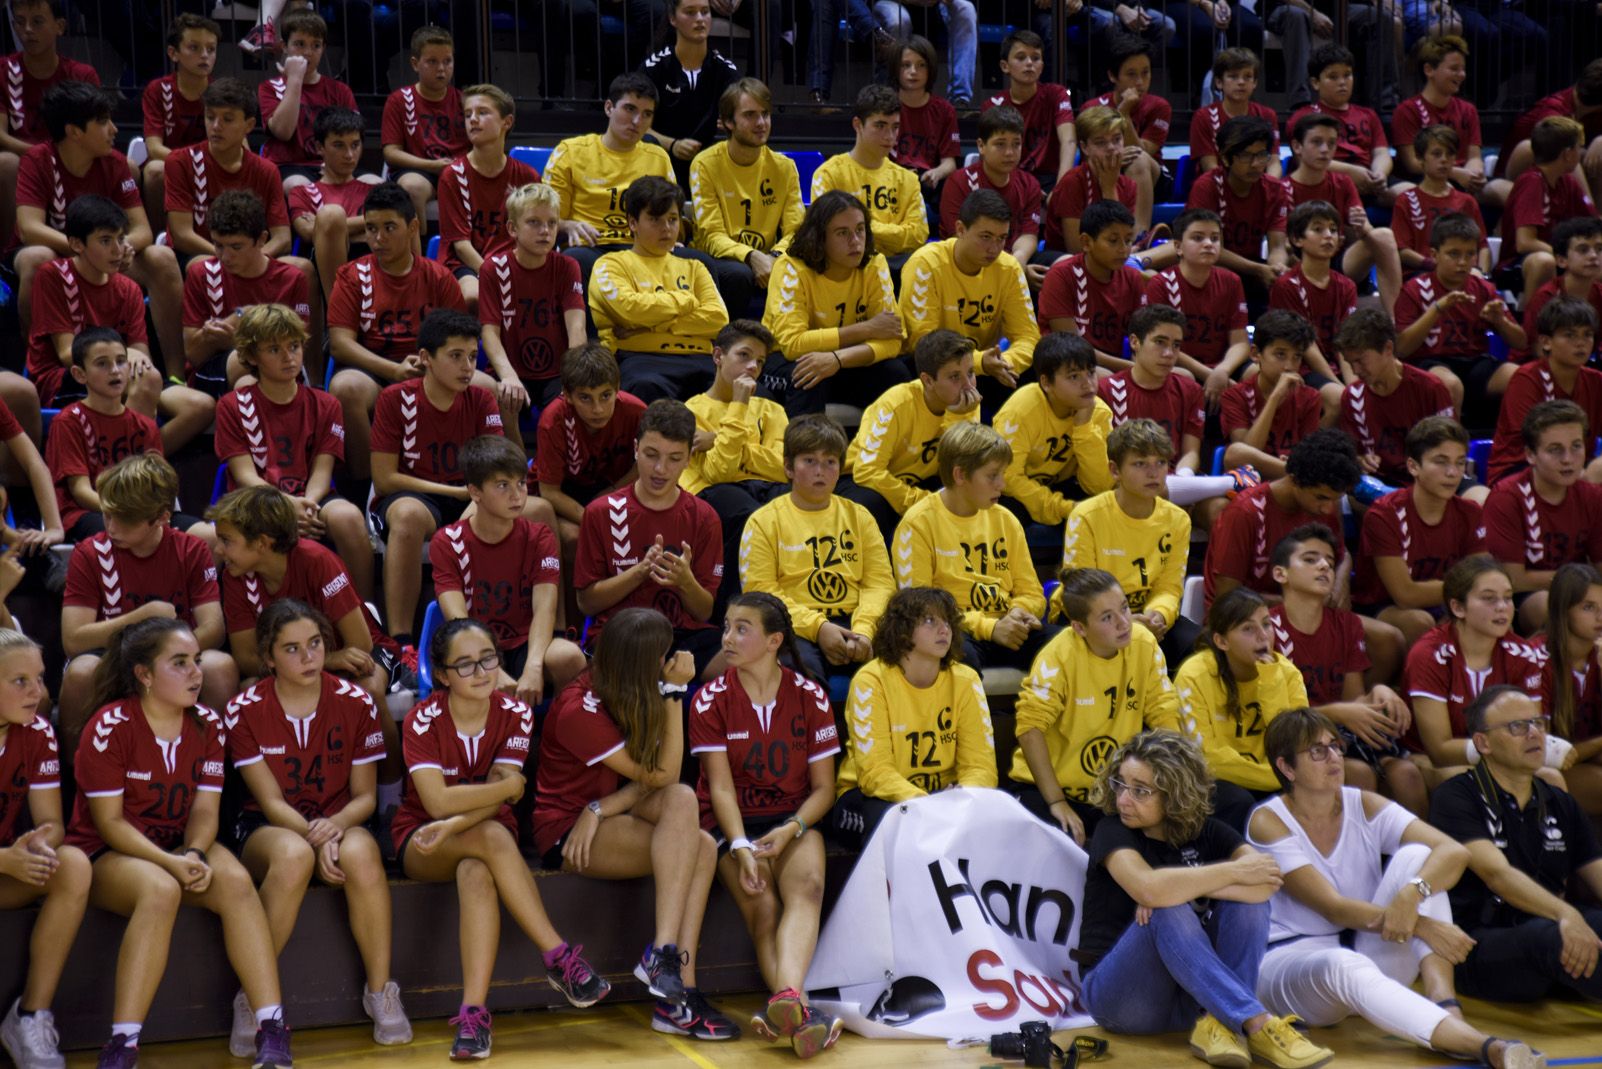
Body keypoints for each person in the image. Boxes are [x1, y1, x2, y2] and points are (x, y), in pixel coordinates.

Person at [1249, 708, 1545, 1069]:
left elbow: (1454, 851)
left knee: (1420, 858)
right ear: (1287, 768)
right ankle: (1481, 1045)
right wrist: (1423, 924)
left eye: (1336, 747)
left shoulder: (1364, 803)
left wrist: (1413, 893)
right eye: (1317, 751)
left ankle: (1444, 1004)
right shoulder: (1267, 821)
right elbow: (1333, 908)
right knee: (1344, 964)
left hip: (1374, 946)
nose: (1333, 758)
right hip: (1293, 967)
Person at [66, 619, 294, 1069]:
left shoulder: (208, 725)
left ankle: (271, 1025)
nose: (196, 673)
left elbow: (205, 812)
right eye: (179, 663)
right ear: (144, 675)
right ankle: (123, 1043)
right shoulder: (109, 727)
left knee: (235, 882)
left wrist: (192, 852)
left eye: (197, 661)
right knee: (160, 890)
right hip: (112, 852)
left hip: (175, 845)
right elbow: (110, 825)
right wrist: (170, 865)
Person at [397, 618, 610, 1059]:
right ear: (441, 675)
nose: (481, 673)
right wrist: (503, 790)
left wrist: (459, 819)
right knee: (490, 837)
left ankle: (473, 1016)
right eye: (466, 665)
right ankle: (557, 956)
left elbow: (470, 806)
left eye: (488, 659)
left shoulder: (515, 712)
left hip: (471, 834)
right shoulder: (422, 719)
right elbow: (436, 803)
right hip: (424, 838)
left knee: (479, 867)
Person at [535, 608, 736, 1040]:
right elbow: (659, 774)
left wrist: (602, 808)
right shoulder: (579, 710)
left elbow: (664, 781)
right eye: (664, 654)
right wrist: (676, 692)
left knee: (684, 802)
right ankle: (677, 994)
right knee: (699, 847)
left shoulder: (636, 687)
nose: (674, 657)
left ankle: (666, 960)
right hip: (567, 829)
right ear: (643, 662)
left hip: (610, 809)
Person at [1076, 730, 1330, 1069]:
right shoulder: (1113, 830)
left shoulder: (1208, 831)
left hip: (1193, 1001)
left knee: (1247, 906)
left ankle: (1219, 1023)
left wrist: (1181, 886)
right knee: (1165, 912)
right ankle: (1255, 1023)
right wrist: (1220, 877)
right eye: (1120, 784)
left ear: (1175, 794)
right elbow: (1148, 889)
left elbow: (1266, 882)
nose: (1124, 799)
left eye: (1140, 791)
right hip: (1121, 998)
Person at [228, 600, 411, 1051]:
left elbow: (366, 798)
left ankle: (381, 992)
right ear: (268, 657)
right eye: (291, 649)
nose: (308, 657)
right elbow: (270, 803)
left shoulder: (355, 702)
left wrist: (331, 829)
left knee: (363, 853)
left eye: (314, 645)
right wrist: (315, 838)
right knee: (292, 857)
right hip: (267, 828)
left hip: (340, 819)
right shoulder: (244, 709)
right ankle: (254, 998)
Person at [690, 593, 843, 1057]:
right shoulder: (710, 699)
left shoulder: (810, 695)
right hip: (728, 822)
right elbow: (719, 789)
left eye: (742, 628)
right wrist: (739, 846)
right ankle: (802, 1011)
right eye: (727, 627)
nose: (728, 638)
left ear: (774, 640)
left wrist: (792, 827)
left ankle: (788, 1002)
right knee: (763, 907)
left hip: (792, 818)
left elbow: (824, 790)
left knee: (809, 888)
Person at [1428, 685, 1602, 1004]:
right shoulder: (1456, 797)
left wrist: (1571, 918)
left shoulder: (1560, 802)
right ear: (1483, 743)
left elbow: (1597, 873)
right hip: (1479, 944)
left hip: (1548, 929)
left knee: (1576, 928)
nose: (1534, 734)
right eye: (1517, 727)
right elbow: (1498, 876)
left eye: (1537, 723)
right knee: (1550, 937)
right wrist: (1567, 914)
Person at [58, 452, 235, 754]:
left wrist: (167, 659)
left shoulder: (191, 550)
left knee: (220, 667)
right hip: (110, 656)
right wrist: (142, 617)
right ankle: (77, 778)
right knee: (81, 672)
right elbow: (73, 640)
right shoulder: (90, 552)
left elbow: (213, 629)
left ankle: (213, 773)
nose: (111, 528)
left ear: (162, 517)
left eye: (124, 520)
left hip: (176, 655)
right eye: (107, 514)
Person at [13, 82, 187, 383]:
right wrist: (86, 248)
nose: (114, 130)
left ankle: (176, 375)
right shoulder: (37, 160)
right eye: (103, 121)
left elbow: (142, 229)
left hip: (104, 254)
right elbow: (30, 229)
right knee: (35, 258)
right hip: (60, 257)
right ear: (74, 132)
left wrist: (119, 247)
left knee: (162, 257)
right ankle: (43, 374)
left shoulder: (116, 163)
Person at [213, 302, 371, 599]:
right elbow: (245, 475)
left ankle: (366, 612)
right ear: (251, 356)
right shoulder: (233, 406)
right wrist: (287, 506)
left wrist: (307, 504)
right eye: (274, 349)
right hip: (255, 500)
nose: (289, 357)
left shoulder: (326, 404)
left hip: (312, 499)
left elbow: (322, 472)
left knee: (348, 517)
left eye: (294, 346)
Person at [1009, 568, 1179, 843]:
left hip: (1114, 792)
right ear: (1080, 628)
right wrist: (1056, 802)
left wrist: (1176, 782)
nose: (1124, 623)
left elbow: (1164, 712)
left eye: (1124, 608)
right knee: (1062, 840)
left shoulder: (1144, 643)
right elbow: (1030, 730)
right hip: (1046, 788)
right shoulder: (1058, 655)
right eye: (1107, 617)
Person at [1267, 527, 1422, 812]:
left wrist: (1380, 691)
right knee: (1358, 774)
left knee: (1407, 774)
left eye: (1329, 560)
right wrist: (1336, 713)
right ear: (1281, 574)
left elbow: (1353, 700)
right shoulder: (1268, 630)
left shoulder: (1346, 624)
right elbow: (1275, 713)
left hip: (1337, 732)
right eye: (1311, 559)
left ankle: (1415, 855)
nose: (1325, 565)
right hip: (1291, 735)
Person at [831, 587, 996, 848]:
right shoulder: (871, 681)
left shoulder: (966, 679)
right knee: (897, 826)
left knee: (993, 817)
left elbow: (981, 766)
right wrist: (928, 804)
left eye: (947, 621)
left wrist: (962, 797)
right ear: (903, 630)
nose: (945, 630)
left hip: (945, 795)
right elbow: (876, 772)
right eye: (930, 621)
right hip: (874, 797)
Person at [326, 181, 468, 480]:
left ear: (413, 226)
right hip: (374, 372)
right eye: (371, 228)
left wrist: (429, 367)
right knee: (346, 388)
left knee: (488, 388)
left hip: (430, 371)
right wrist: (393, 371)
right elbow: (339, 344)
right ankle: (367, 485)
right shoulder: (352, 276)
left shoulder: (439, 278)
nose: (378, 238)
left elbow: (460, 339)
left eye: (389, 227)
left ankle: (474, 480)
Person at [431, 435, 586, 706]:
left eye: (521, 483)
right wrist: (492, 669)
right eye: (503, 485)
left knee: (568, 656)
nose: (517, 495)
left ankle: (558, 738)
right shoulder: (447, 542)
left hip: (527, 643)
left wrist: (534, 667)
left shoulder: (541, 537)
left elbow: (545, 609)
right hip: (473, 647)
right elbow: (459, 623)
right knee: (469, 669)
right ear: (475, 492)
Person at [575, 399, 725, 677]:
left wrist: (685, 581)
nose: (660, 469)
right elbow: (587, 603)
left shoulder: (705, 517)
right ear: (635, 450)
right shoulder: (600, 512)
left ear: (689, 459)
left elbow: (704, 611)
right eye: (651, 454)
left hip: (684, 636)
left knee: (741, 660)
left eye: (674, 458)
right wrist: (641, 572)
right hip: (622, 632)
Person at [739, 415, 893, 685]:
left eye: (830, 462)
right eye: (809, 461)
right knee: (798, 671)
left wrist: (865, 630)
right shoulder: (764, 521)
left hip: (856, 622)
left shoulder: (860, 517)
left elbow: (879, 584)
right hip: (795, 627)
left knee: (907, 659)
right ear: (788, 467)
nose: (820, 470)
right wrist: (818, 628)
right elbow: (761, 594)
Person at [210, 485, 396, 709]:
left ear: (262, 543)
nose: (218, 550)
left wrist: (317, 663)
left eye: (226, 540)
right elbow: (247, 659)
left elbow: (360, 645)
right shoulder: (234, 577)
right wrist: (324, 660)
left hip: (362, 652)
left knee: (367, 690)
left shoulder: (317, 561)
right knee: (250, 693)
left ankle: (386, 746)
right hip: (310, 661)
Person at [894, 421, 1051, 671]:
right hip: (955, 631)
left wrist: (1018, 613)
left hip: (1006, 626)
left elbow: (1031, 591)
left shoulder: (1005, 519)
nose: (1002, 484)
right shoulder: (918, 523)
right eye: (992, 476)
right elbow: (919, 608)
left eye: (1002, 474)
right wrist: (989, 628)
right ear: (960, 475)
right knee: (955, 655)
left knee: (1064, 645)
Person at [0, 628, 88, 1069]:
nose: (38, 692)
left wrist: (34, 848)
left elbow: (51, 824)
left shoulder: (35, 732)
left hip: (6, 871)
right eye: (20, 681)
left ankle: (31, 1014)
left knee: (71, 864)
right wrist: (5, 859)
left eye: (39, 678)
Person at [761, 191, 908, 418]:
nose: (856, 241)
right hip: (784, 360)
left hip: (841, 359)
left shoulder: (874, 263)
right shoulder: (790, 267)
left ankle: (882, 450)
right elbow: (793, 344)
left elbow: (891, 341)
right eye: (843, 233)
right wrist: (867, 328)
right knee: (807, 375)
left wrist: (837, 359)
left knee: (895, 373)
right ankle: (804, 452)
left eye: (860, 230)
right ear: (819, 237)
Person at [1175, 587, 1311, 830]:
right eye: (1248, 629)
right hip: (1219, 780)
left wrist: (1270, 681)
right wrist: (1273, 777)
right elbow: (1205, 757)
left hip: (1278, 774)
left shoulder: (1287, 674)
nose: (1263, 636)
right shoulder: (1194, 675)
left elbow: (1293, 742)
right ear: (1221, 641)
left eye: (1267, 624)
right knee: (1241, 801)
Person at [1404, 556, 1547, 785]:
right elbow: (1439, 749)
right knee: (1484, 784)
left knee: (1550, 777)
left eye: (1508, 598)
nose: (1502, 607)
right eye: (1489, 599)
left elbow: (1530, 729)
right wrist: (1506, 749)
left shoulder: (1524, 654)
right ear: (1458, 607)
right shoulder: (1429, 655)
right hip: (1429, 761)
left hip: (1502, 757)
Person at [589, 175, 729, 404]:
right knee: (646, 386)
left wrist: (656, 324)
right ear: (633, 223)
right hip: (641, 360)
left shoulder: (695, 266)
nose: (666, 228)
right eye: (655, 219)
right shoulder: (611, 264)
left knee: (742, 388)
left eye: (673, 219)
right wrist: (685, 299)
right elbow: (629, 309)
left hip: (700, 358)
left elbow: (718, 319)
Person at [1063, 419, 1194, 658]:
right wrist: (1123, 619)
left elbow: (1169, 587)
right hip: (1093, 615)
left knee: (1199, 647)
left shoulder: (1178, 520)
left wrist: (1158, 614)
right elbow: (1081, 590)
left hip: (1147, 615)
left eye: (1161, 463)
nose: (1153, 473)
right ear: (1115, 470)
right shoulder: (1087, 516)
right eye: (1140, 464)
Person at [1356, 417, 1486, 649]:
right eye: (1441, 462)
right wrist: (1464, 593)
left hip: (1448, 603)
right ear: (1413, 466)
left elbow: (1482, 577)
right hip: (1382, 607)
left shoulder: (1471, 512)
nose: (1452, 472)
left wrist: (1460, 604)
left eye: (1459, 463)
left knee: (1490, 616)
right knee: (1420, 621)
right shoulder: (1385, 514)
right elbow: (1405, 594)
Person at [840, 329, 980, 541]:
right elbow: (867, 471)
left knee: (972, 492)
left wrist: (956, 416)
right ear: (928, 380)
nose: (968, 385)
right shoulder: (895, 404)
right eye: (954, 377)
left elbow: (962, 467)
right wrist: (919, 501)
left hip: (916, 481)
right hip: (861, 481)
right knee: (871, 503)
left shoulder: (964, 403)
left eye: (970, 373)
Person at [900, 189, 1040, 396]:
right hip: (934, 368)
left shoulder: (1009, 268)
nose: (994, 248)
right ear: (960, 229)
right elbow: (923, 344)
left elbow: (1028, 337)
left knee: (1038, 372)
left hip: (982, 368)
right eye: (985, 237)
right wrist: (978, 362)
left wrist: (1006, 362)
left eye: (1001, 238)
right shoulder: (925, 264)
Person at [181, 190, 315, 397]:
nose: (225, 256)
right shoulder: (201, 275)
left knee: (248, 381)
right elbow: (193, 355)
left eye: (236, 247)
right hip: (214, 372)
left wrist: (240, 329)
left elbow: (298, 347)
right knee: (244, 364)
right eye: (218, 245)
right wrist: (212, 338)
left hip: (279, 368)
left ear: (261, 239)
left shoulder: (292, 279)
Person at [24, 195, 151, 413]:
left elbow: (141, 355)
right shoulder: (54, 276)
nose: (117, 250)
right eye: (105, 241)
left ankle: (130, 445)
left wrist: (134, 358)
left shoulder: (130, 289)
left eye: (120, 239)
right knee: (143, 386)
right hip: (62, 378)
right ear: (76, 244)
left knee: (197, 406)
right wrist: (125, 357)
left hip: (114, 372)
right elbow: (66, 354)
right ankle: (127, 445)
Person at [1483, 401, 1602, 632]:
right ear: (1530, 454)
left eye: (1576, 446)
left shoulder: (1593, 497)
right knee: (1548, 607)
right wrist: (1575, 584)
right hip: (1519, 598)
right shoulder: (1507, 498)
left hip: (1582, 591)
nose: (1568, 459)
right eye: (1555, 449)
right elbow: (1514, 579)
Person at [688, 78, 804, 305]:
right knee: (739, 274)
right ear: (728, 122)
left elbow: (796, 230)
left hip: (769, 257)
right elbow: (712, 236)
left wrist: (774, 256)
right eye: (750, 115)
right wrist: (750, 256)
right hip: (717, 260)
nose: (761, 122)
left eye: (765, 114)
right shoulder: (704, 164)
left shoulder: (784, 167)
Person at [44, 331, 167, 543]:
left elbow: (159, 484)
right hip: (86, 513)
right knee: (133, 533)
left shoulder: (145, 425)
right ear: (79, 374)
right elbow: (81, 490)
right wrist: (128, 513)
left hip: (139, 513)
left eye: (121, 362)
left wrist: (149, 512)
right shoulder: (68, 422)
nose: (114, 371)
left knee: (205, 535)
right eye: (102, 364)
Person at [477, 182, 587, 419]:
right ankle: (515, 456)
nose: (545, 230)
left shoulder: (568, 266)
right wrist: (508, 375)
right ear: (512, 228)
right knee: (501, 398)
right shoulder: (493, 269)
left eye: (552, 223)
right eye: (534, 222)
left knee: (578, 402)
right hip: (511, 370)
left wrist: (572, 378)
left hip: (557, 373)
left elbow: (577, 328)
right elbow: (489, 333)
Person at [534, 344, 647, 575]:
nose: (598, 409)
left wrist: (610, 494)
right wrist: (594, 518)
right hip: (566, 495)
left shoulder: (636, 411)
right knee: (573, 539)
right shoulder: (552, 421)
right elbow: (550, 492)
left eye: (606, 396)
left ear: (617, 388)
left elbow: (643, 467)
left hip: (616, 491)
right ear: (567, 395)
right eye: (585, 398)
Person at [1395, 213, 1523, 414]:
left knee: (1520, 377)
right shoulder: (1414, 289)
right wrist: (1437, 309)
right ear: (1435, 255)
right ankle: (1450, 444)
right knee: (1450, 385)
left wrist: (1500, 322)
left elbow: (1521, 342)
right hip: (1429, 363)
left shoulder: (1484, 289)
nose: (1463, 262)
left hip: (1475, 363)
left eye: (1470, 254)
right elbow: (1401, 349)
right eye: (1454, 254)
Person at [1285, 113, 1403, 315]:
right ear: (1297, 147)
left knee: (1382, 236)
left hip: (1338, 261)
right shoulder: (1281, 188)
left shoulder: (1343, 182)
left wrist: (1361, 228)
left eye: (1331, 143)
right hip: (1298, 262)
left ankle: (1396, 320)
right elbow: (1282, 244)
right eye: (1317, 142)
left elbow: (1366, 231)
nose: (1325, 150)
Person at [163, 78, 293, 261]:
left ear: (248, 125)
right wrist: (228, 257)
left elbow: (282, 238)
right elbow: (182, 234)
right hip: (201, 258)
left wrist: (250, 260)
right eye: (210, 117)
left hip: (252, 262)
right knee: (198, 265)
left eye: (228, 119)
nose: (216, 126)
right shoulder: (180, 161)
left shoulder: (267, 170)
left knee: (301, 266)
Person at [994, 331, 1112, 529]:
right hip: (1016, 489)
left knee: (1106, 506)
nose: (1087, 384)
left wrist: (1083, 428)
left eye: (1091, 373)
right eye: (1074, 376)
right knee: (1008, 513)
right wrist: (1062, 508)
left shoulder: (1098, 412)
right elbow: (1008, 477)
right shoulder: (1021, 410)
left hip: (1064, 485)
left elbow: (1099, 486)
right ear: (1046, 383)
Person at [436, 84, 541, 305]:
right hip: (465, 265)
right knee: (473, 297)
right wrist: (495, 276)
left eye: (482, 112)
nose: (472, 119)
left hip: (512, 262)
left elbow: (533, 230)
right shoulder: (453, 175)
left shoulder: (526, 175)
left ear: (507, 122)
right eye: (467, 114)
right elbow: (461, 246)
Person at [1336, 307, 1457, 489]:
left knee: (1479, 497)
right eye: (1350, 363)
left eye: (1360, 361)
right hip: (1382, 485)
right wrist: (1361, 460)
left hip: (1430, 481)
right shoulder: (1352, 396)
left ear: (1388, 348)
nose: (1355, 371)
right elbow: (1354, 455)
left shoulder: (1431, 388)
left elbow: (1450, 450)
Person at [812, 85, 928, 269]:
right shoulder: (829, 174)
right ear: (857, 125)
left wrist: (862, 229)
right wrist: (894, 234)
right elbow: (828, 233)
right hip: (850, 269)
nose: (889, 136)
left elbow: (918, 235)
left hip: (898, 269)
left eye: (895, 127)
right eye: (880, 126)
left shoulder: (908, 180)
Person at [1490, 297, 1602, 486]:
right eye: (1570, 335)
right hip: (1521, 469)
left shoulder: (1596, 380)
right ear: (1546, 342)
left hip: (1573, 465)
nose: (1581, 343)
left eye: (1587, 335)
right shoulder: (1526, 379)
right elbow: (1530, 443)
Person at [1183, 116, 1292, 301]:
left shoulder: (1275, 189)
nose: (1256, 164)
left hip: (1251, 268)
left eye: (1262, 155)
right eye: (1246, 156)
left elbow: (1278, 246)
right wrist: (1258, 270)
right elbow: (1209, 249)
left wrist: (1277, 268)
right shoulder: (1207, 186)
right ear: (1225, 158)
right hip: (1212, 266)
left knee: (1287, 283)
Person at [1499, 117, 1600, 311]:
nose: (1581, 152)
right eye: (1579, 147)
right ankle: (1533, 331)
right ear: (1568, 154)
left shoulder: (1568, 182)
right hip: (1520, 263)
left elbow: (1593, 224)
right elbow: (1525, 242)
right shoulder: (1532, 182)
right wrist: (1568, 256)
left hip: (1564, 254)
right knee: (1544, 262)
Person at [641, 0, 740, 196]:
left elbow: (737, 120)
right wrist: (673, 144)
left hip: (709, 164)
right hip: (662, 162)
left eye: (705, 12)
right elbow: (639, 124)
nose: (700, 19)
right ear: (672, 18)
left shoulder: (726, 71)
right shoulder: (654, 68)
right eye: (690, 12)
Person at [1036, 199, 1146, 370]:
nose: (1123, 249)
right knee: (1102, 377)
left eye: (1128, 240)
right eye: (1113, 240)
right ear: (1086, 242)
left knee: (1182, 375)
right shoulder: (1061, 276)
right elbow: (1072, 349)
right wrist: (1134, 369)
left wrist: (1142, 367)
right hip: (1067, 366)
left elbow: (1142, 337)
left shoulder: (1133, 278)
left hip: (1115, 367)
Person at [1285, 43, 1399, 205]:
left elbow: (1381, 152)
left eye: (1347, 75)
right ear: (1315, 83)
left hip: (1370, 177)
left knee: (1411, 195)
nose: (1342, 82)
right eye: (1333, 77)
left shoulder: (1368, 114)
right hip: (1328, 179)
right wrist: (1352, 172)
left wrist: (1379, 174)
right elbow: (1304, 160)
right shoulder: (1303, 117)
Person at [290, 107, 382, 303]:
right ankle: (339, 314)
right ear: (319, 147)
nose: (349, 154)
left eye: (355, 145)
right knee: (331, 215)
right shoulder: (303, 192)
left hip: (374, 270)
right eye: (339, 145)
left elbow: (391, 221)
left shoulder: (373, 191)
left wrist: (329, 227)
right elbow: (307, 231)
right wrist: (365, 224)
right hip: (323, 279)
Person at [257, 10, 357, 190]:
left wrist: (335, 166)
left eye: (316, 45)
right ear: (284, 46)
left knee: (376, 185)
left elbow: (355, 137)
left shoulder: (340, 90)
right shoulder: (269, 88)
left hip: (333, 165)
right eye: (299, 44)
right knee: (300, 187)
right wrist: (295, 79)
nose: (308, 52)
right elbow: (283, 131)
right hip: (288, 166)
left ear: (323, 48)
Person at [1220, 310, 1323, 480]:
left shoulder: (1310, 397)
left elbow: (1307, 456)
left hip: (1290, 481)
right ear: (1255, 354)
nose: (1289, 366)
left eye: (1297, 356)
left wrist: (1293, 463)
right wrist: (1275, 398)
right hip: (1251, 480)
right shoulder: (1235, 396)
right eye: (1280, 354)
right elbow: (1245, 459)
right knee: (1235, 452)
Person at [380, 24, 468, 224]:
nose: (441, 69)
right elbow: (391, 153)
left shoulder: (466, 101)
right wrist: (432, 165)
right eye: (432, 62)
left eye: (447, 61)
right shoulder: (399, 100)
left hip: (460, 172)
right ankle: (418, 251)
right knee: (412, 188)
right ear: (415, 63)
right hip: (419, 170)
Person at [139, 13, 218, 228]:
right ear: (173, 53)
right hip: (171, 162)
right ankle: (158, 237)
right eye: (194, 48)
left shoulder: (221, 92)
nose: (205, 55)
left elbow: (241, 146)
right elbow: (154, 148)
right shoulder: (157, 90)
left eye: (211, 49)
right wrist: (194, 164)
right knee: (155, 170)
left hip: (215, 163)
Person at [939, 105, 1043, 268]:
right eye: (1000, 144)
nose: (1010, 152)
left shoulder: (1030, 184)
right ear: (981, 146)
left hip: (1014, 261)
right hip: (967, 260)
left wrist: (1018, 262)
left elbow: (1028, 235)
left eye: (1016, 144)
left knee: (1062, 265)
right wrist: (1007, 269)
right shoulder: (958, 182)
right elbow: (960, 239)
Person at [1537, 564, 1602, 815]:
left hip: (1585, 759)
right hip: (1546, 770)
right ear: (1563, 610)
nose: (1600, 616)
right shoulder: (1536, 660)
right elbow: (1544, 752)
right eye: (1588, 607)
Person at [1270, 200, 1358, 376]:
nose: (1328, 236)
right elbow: (1306, 345)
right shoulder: (1287, 286)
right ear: (1297, 239)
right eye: (1318, 229)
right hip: (1302, 369)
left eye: (1333, 230)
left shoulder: (1347, 286)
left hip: (1340, 366)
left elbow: (1345, 341)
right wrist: (1336, 384)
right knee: (1334, 396)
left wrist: (1352, 389)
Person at [1044, 105, 1144, 255]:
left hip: (1111, 260)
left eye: (1117, 139)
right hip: (1066, 261)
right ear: (1084, 148)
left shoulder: (1128, 185)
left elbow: (1122, 239)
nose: (1111, 147)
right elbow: (1076, 248)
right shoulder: (1072, 182)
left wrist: (1110, 187)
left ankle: (1140, 258)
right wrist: (1109, 188)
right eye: (1100, 142)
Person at [984, 29, 1075, 191]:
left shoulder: (1056, 94)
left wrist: (1060, 189)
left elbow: (1069, 141)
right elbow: (991, 157)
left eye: (1035, 58)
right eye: (1021, 57)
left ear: (1041, 66)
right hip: (1009, 178)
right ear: (1005, 66)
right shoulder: (993, 105)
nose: (1029, 63)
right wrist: (1026, 187)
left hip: (1051, 179)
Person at [1392, 126, 1491, 274]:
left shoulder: (1466, 201)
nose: (1444, 159)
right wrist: (1435, 266)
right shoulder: (1406, 200)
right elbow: (1401, 250)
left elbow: (1482, 247)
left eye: (1450, 154)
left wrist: (1481, 273)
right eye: (1436, 154)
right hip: (1422, 274)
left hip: (1462, 272)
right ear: (1420, 159)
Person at [1392, 36, 1484, 188]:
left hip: (1462, 176)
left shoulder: (1468, 110)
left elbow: (1474, 156)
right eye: (1454, 69)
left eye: (1463, 69)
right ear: (1429, 70)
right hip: (1423, 180)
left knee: (1503, 190)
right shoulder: (1407, 110)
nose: (1462, 75)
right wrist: (1455, 173)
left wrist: (1474, 173)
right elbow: (1413, 164)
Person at [891, 36, 959, 218]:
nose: (913, 71)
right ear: (896, 69)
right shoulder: (885, 105)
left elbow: (949, 163)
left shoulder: (944, 110)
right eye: (906, 65)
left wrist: (936, 173)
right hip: (891, 180)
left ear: (930, 69)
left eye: (921, 65)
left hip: (927, 181)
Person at [1190, 48, 1282, 178]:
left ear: (1255, 83)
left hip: (1258, 185)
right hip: (1219, 188)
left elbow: (1273, 163)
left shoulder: (1267, 115)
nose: (1241, 82)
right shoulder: (1203, 117)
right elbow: (1210, 168)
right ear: (1219, 82)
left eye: (1248, 77)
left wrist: (1269, 188)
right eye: (1233, 76)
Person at [1521, 218, 1602, 362]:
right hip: (1541, 368)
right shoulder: (1546, 296)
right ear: (1561, 260)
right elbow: (1538, 350)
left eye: (1599, 249)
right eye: (1583, 250)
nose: (1594, 256)